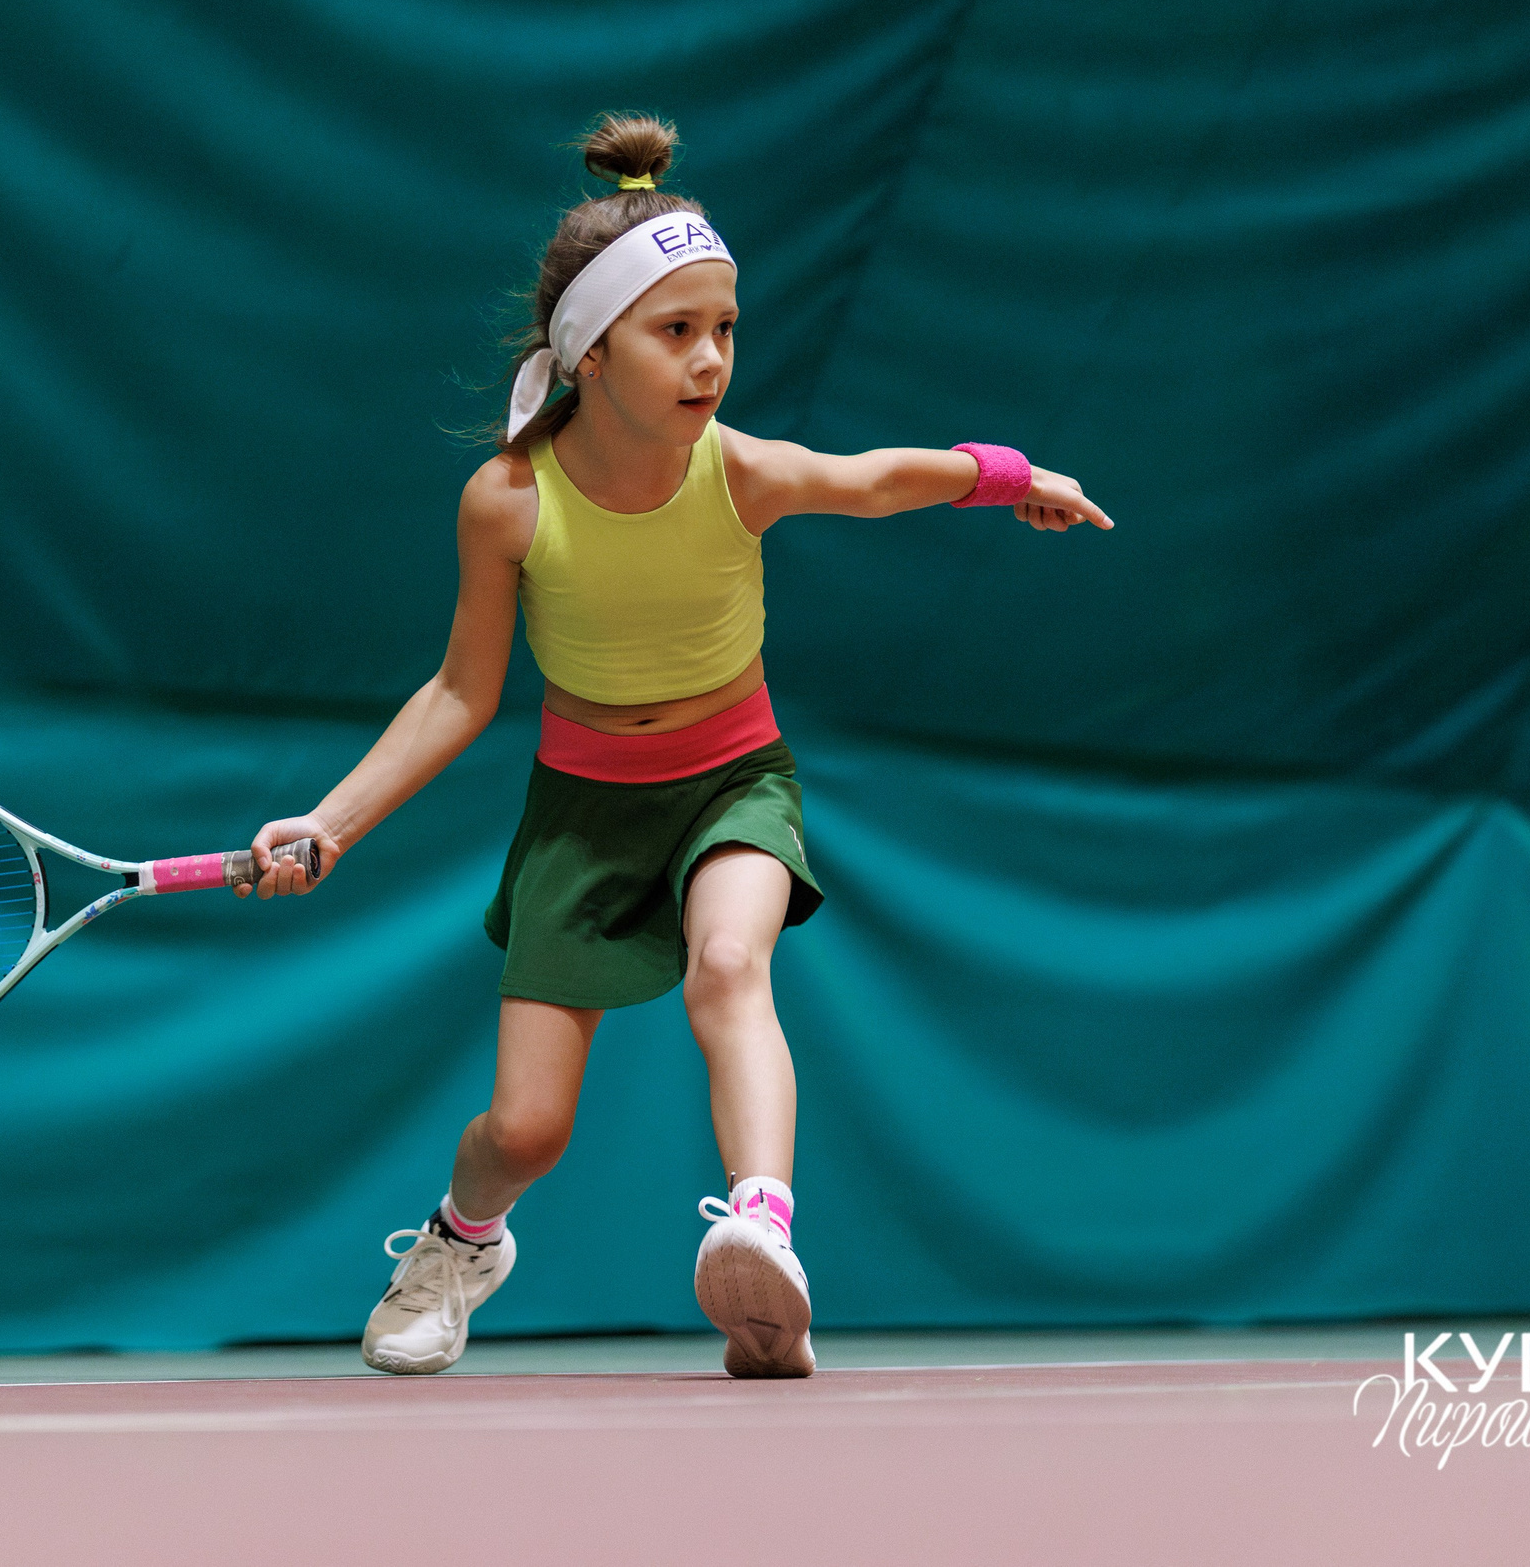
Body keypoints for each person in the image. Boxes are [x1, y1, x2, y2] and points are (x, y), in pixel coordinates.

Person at [238, 113, 1111, 1379]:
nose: (711, 360)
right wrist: (331, 820)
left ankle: (763, 1231)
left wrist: (1011, 472)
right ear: (587, 351)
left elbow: (871, 478)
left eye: (725, 329)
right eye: (676, 330)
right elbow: (457, 694)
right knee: (524, 1129)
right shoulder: (508, 501)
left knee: (726, 965)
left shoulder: (738, 470)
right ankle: (460, 1240)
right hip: (584, 815)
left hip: (732, 783)